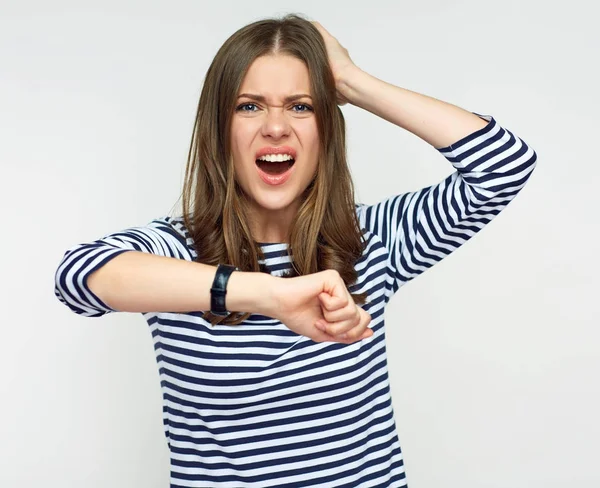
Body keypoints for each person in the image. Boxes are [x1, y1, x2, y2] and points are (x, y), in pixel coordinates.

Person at [53, 13, 537, 488]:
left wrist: (351, 81)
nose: (276, 127)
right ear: (218, 129)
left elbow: (504, 166)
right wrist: (267, 296)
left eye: (301, 106)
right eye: (249, 106)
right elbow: (78, 277)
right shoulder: (178, 252)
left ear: (326, 127)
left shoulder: (372, 239)